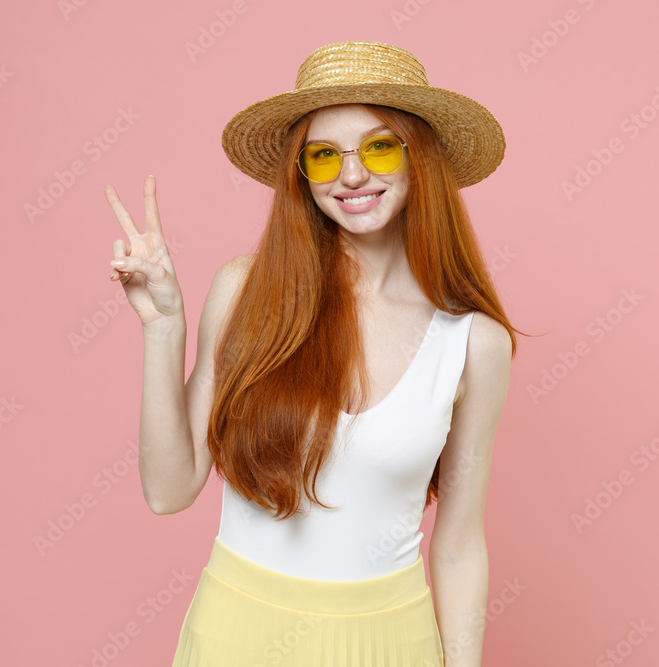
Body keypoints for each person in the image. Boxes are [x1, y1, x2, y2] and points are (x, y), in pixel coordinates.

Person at [103, 40, 523, 667]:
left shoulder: (474, 344)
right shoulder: (245, 290)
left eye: (380, 146)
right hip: (235, 636)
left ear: (421, 161)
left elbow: (460, 545)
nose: (351, 176)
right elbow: (168, 489)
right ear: (301, 176)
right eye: (324, 157)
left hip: (390, 644)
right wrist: (164, 328)